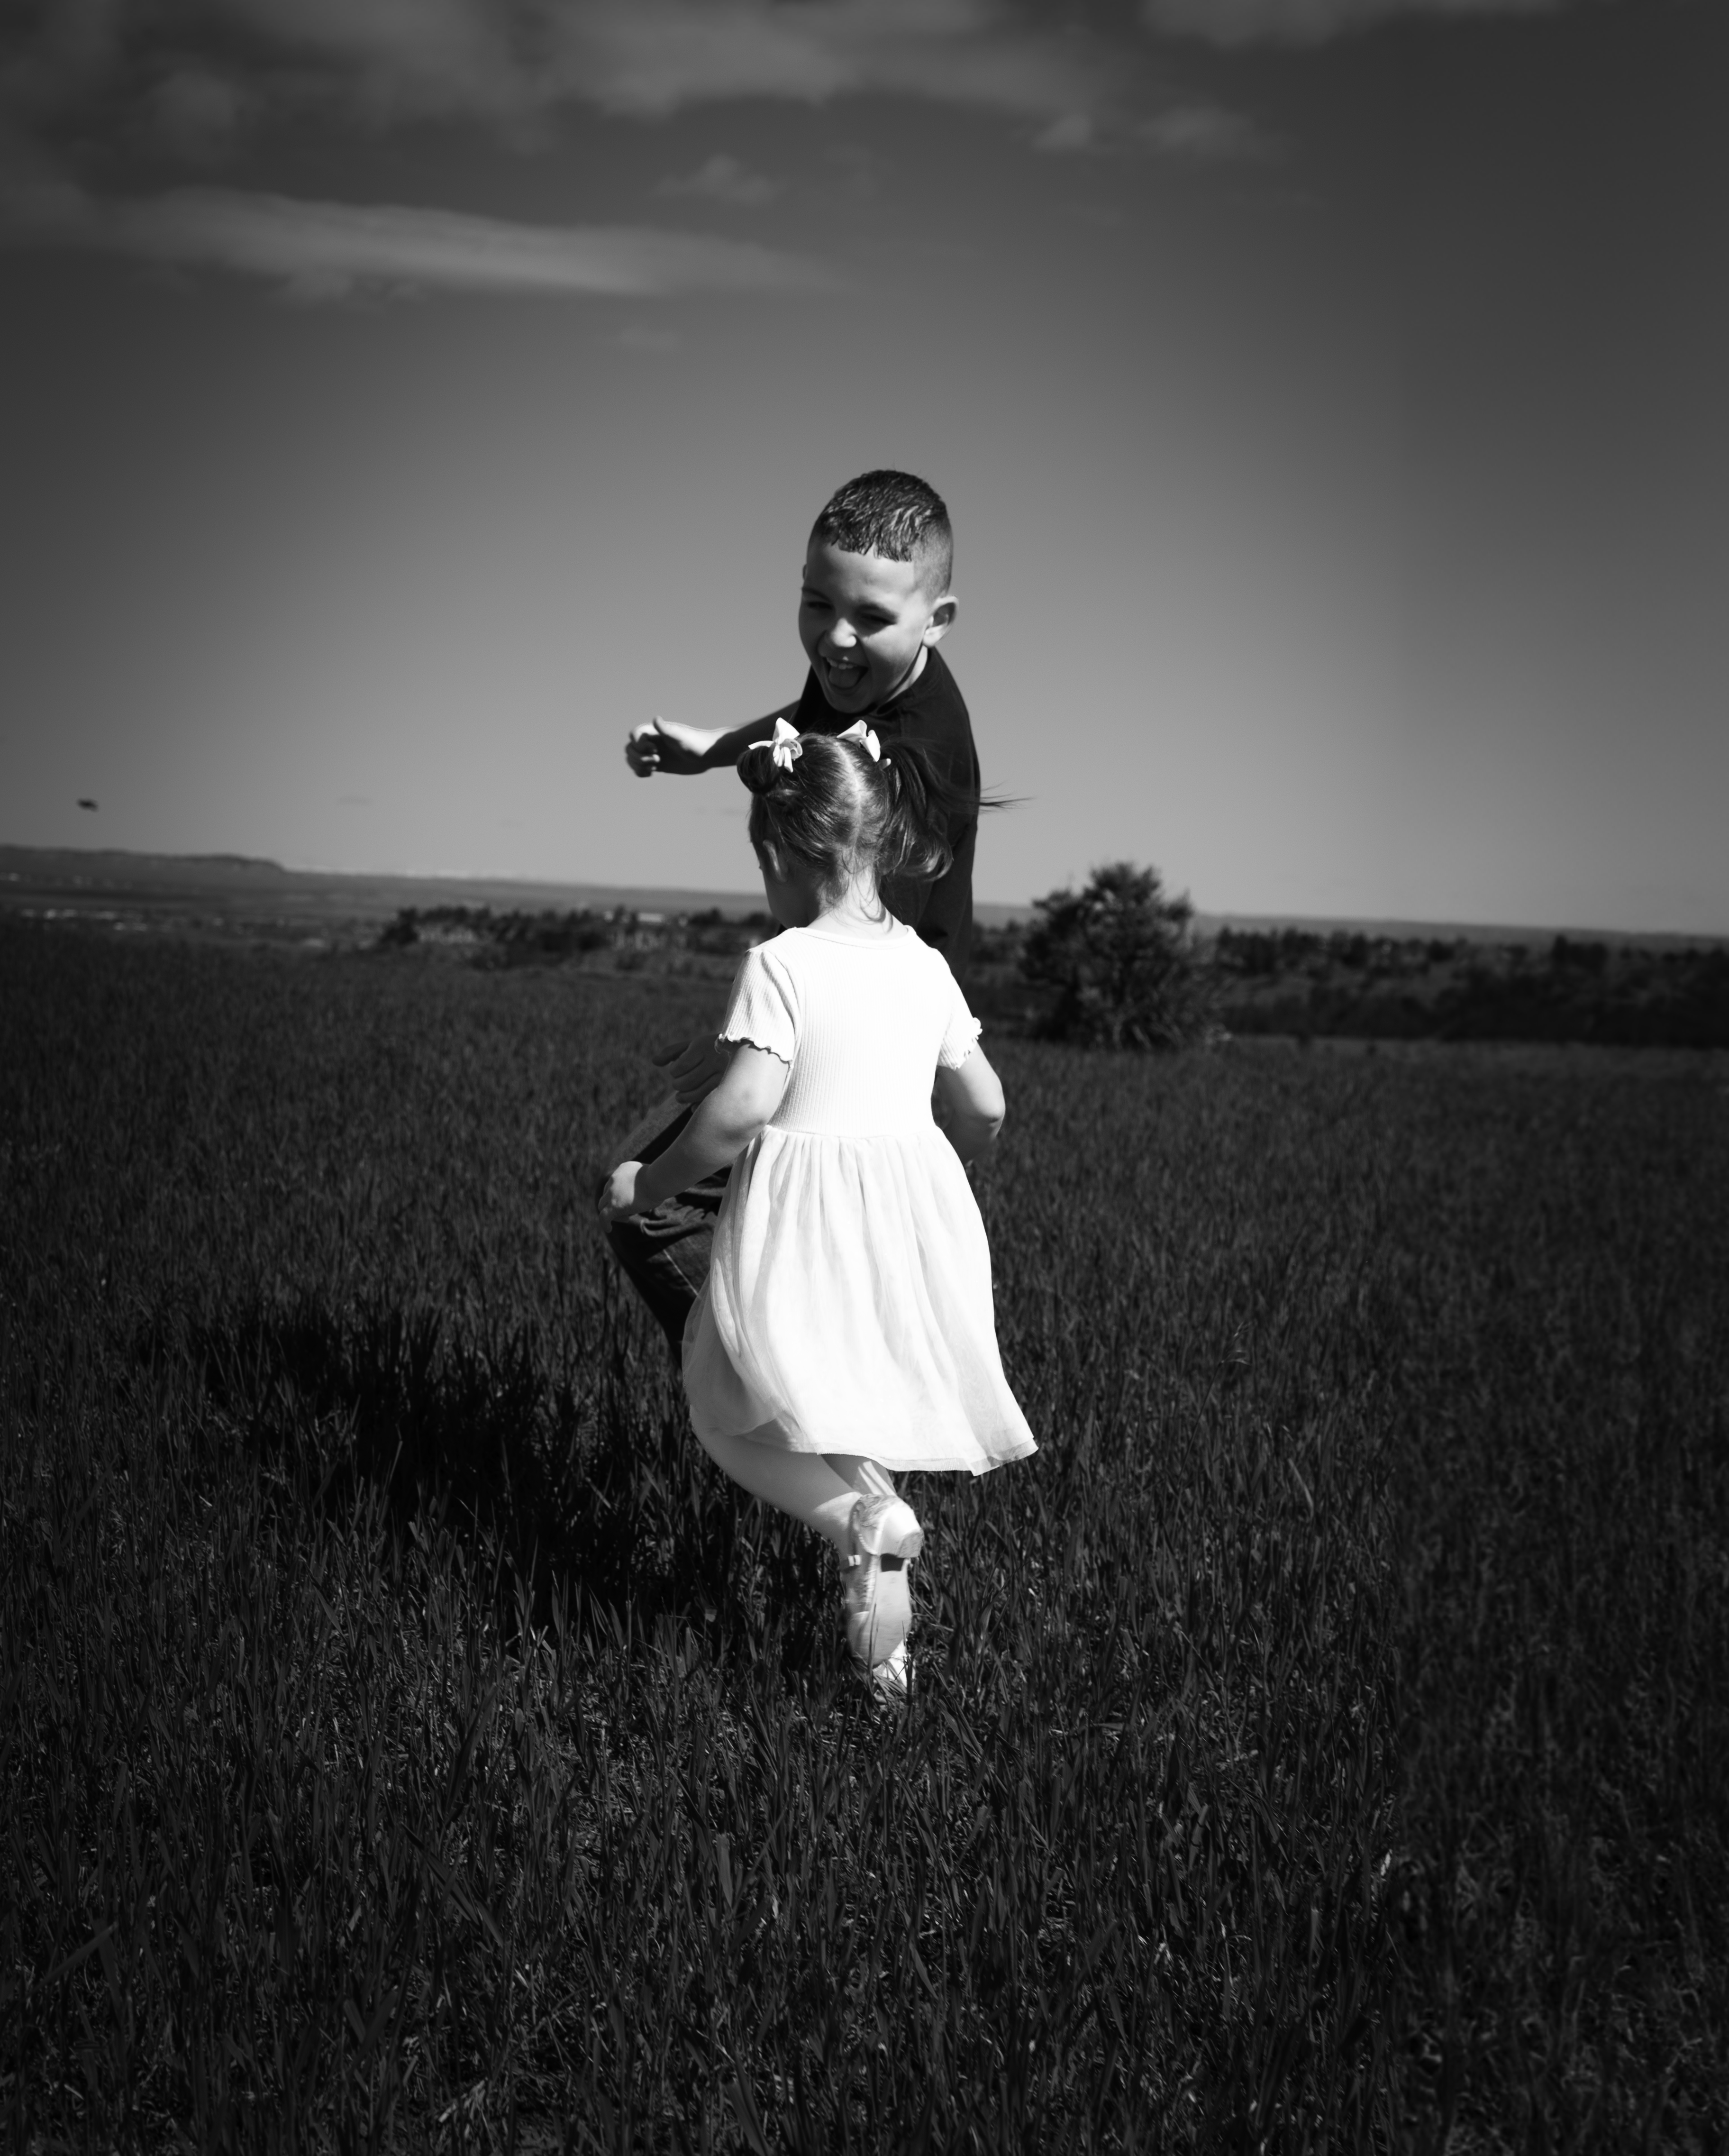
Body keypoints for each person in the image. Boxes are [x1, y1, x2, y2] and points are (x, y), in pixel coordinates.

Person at [598, 724, 1036, 1697]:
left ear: (780, 858)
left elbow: (739, 1112)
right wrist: (933, 1165)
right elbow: (987, 1104)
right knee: (858, 1420)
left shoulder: (782, 963)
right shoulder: (925, 964)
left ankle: (857, 1524)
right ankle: (887, 1676)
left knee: (728, 1414)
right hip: (909, 1230)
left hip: (803, 1229)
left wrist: (646, 1187)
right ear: (879, 842)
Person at [612, 470, 983, 1352]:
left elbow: (862, 956)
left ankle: (777, 1391)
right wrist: (714, 750)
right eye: (818, 604)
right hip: (860, 1028)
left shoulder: (918, 756)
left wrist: (746, 1050)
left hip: (864, 1043)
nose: (836, 639)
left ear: (937, 619)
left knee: (646, 1207)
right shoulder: (861, 681)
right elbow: (807, 725)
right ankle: (819, 1391)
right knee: (824, 1255)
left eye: (871, 618)